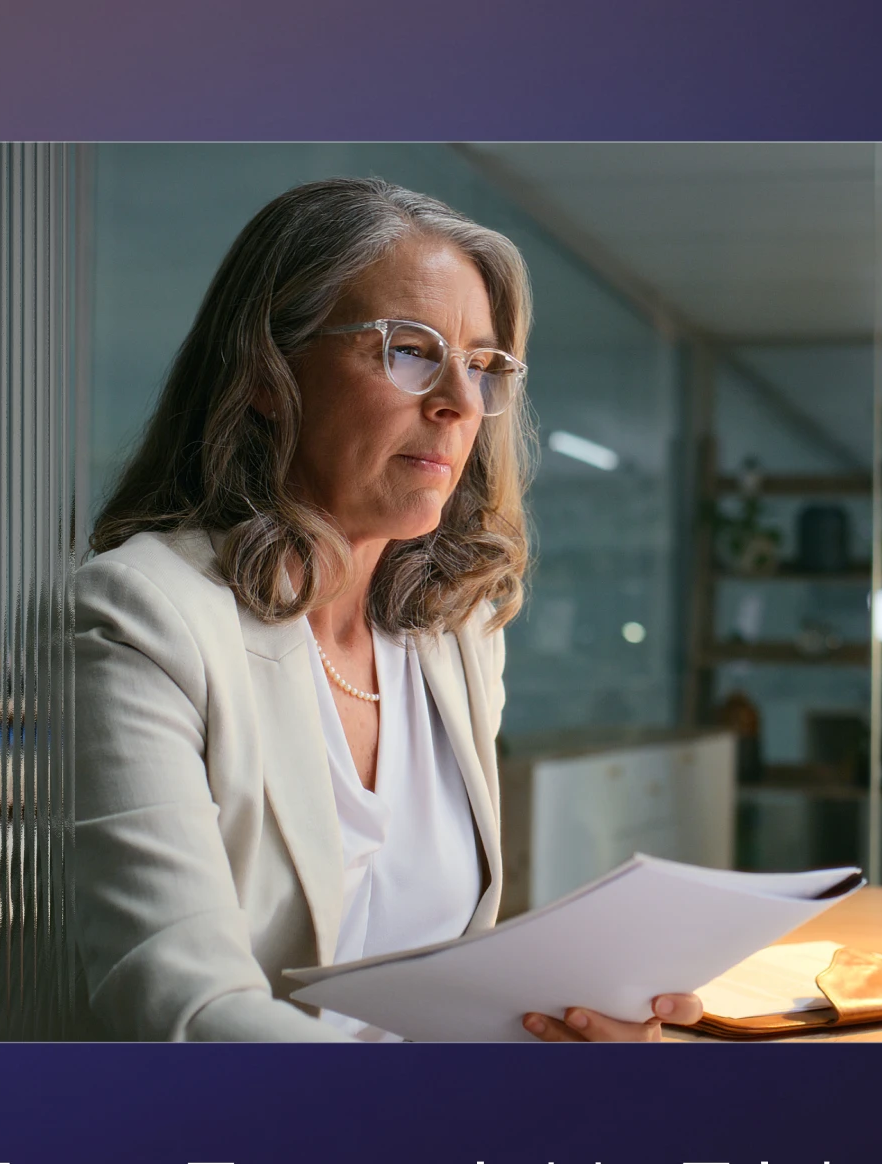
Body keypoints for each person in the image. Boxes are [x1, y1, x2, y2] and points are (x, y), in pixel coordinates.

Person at [74, 177, 703, 1041]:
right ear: (266, 373)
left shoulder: (459, 634)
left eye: (482, 366)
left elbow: (443, 983)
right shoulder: (145, 614)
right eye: (408, 349)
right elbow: (184, 1012)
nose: (455, 402)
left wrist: (573, 1027)